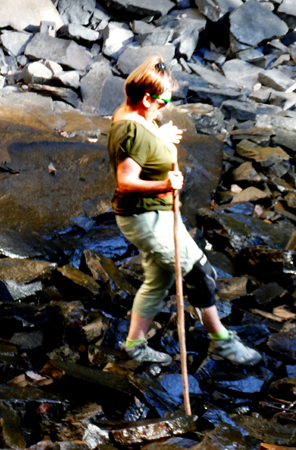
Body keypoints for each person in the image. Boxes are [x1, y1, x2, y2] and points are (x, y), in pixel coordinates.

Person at [107, 56, 261, 366]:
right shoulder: (129, 129)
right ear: (146, 97)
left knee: (159, 281)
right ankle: (221, 341)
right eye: (162, 101)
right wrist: (164, 185)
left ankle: (134, 346)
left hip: (159, 214)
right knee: (201, 273)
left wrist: (160, 138)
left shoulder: (135, 113)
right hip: (145, 218)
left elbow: (144, 140)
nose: (165, 107)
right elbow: (125, 181)